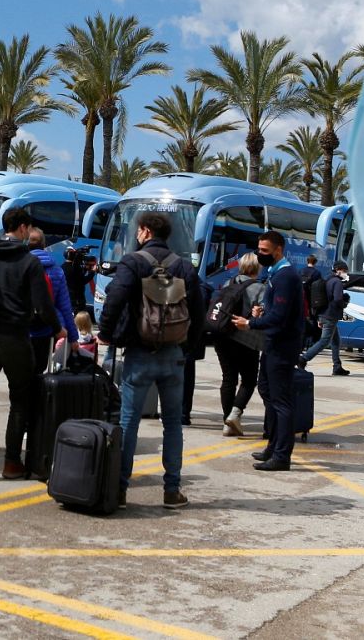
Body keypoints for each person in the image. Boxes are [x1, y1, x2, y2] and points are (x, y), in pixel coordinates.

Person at [101, 211, 204, 509]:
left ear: (145, 231)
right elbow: (199, 312)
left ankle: (120, 489)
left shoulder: (133, 262)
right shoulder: (183, 266)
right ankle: (172, 490)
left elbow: (115, 298)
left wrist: (107, 334)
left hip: (139, 352)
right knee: (172, 423)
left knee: (129, 421)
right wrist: (187, 349)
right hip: (173, 355)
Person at [0, 209, 63, 482]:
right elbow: (43, 306)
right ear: (21, 228)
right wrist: (59, 328)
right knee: (20, 400)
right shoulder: (28, 262)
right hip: (16, 338)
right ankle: (11, 463)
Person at [234, 230, 305, 472]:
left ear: (278, 249)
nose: (259, 254)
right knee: (267, 391)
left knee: (281, 401)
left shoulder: (286, 277)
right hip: (273, 343)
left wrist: (250, 323)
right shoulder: (274, 274)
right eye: (258, 250)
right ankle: (273, 446)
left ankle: (282, 455)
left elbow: (281, 317)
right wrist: (261, 311)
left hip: (283, 346)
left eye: (264, 251)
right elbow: (274, 310)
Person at [217, 253, 267, 436]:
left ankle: (226, 421)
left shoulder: (229, 283)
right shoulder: (260, 288)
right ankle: (235, 414)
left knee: (228, 379)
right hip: (246, 339)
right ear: (257, 267)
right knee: (248, 380)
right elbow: (263, 315)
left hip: (223, 336)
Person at [27, 228, 79, 369]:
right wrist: (73, 337)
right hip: (47, 328)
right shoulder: (56, 270)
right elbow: (65, 307)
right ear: (44, 245)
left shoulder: (21, 266)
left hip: (23, 329)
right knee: (40, 370)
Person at [302, 260, 351, 376]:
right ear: (338, 270)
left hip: (324, 314)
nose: (345, 273)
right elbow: (338, 299)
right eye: (344, 271)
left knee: (336, 341)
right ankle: (304, 358)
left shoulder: (327, 280)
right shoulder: (337, 282)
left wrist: (320, 318)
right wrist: (344, 303)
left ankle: (337, 366)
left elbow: (323, 299)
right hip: (331, 315)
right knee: (324, 341)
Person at [62, 246, 91, 315]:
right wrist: (92, 272)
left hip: (67, 297)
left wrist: (84, 270)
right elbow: (82, 280)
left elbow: (76, 278)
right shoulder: (75, 268)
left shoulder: (62, 267)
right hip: (78, 299)